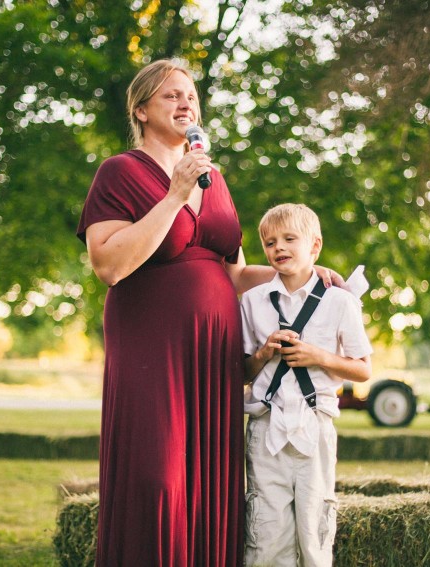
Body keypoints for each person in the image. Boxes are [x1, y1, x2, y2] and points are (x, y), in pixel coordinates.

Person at [76, 60, 340, 566]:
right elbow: (108, 265)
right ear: (141, 109)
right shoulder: (121, 172)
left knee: (209, 477)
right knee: (157, 477)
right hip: (152, 345)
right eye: (172, 96)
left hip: (215, 351)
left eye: (191, 96)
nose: (186, 104)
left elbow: (233, 275)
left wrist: (304, 272)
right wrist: (176, 193)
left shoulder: (213, 180)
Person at [241, 203, 373, 567]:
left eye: (288, 239)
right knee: (265, 539)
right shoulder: (252, 302)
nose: (278, 247)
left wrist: (320, 357)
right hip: (266, 431)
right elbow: (241, 373)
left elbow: (363, 370)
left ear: (314, 246)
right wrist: (265, 352)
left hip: (315, 426)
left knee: (315, 536)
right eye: (269, 243)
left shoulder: (341, 302)